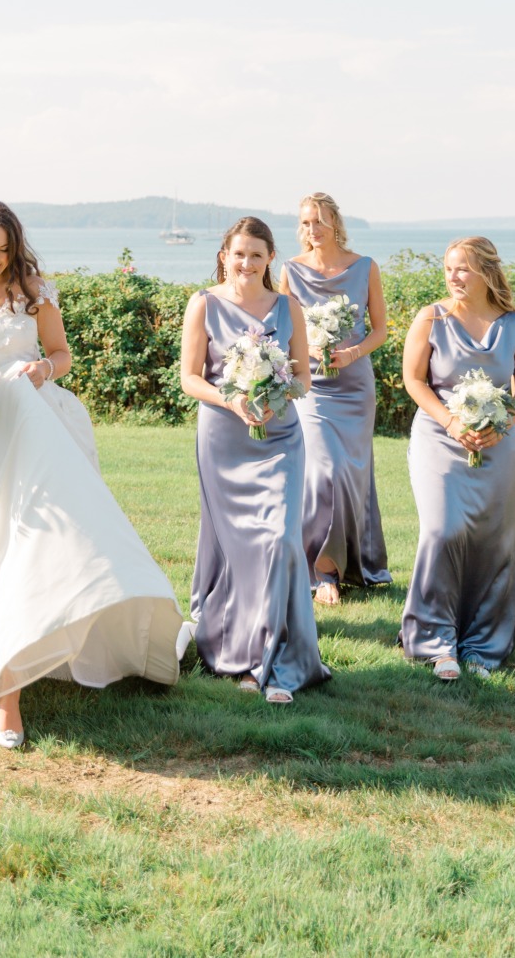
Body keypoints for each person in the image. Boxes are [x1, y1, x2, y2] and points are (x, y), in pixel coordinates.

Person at [0, 201, 182, 750]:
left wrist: (43, 369)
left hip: (28, 426)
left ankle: (8, 689)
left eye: (4, 249)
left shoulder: (33, 291)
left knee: (24, 544)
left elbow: (62, 353)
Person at [181, 216, 328, 703]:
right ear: (225, 254)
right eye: (238, 253)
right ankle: (239, 650)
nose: (246, 263)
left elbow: (305, 377)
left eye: (257, 255)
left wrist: (276, 390)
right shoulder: (202, 304)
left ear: (270, 260)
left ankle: (276, 661)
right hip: (224, 438)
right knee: (238, 547)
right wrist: (233, 400)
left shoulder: (289, 308)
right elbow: (191, 379)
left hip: (280, 436)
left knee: (280, 540)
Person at [400, 237, 515, 679]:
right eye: (449, 268)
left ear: (486, 272)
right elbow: (413, 380)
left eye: (462, 269)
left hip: (497, 446)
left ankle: (483, 644)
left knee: (494, 542)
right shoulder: (431, 317)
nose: (453, 277)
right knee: (443, 530)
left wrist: (502, 423)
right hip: (439, 439)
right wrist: (452, 423)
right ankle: (433, 641)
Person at [279, 192, 391, 604]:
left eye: (320, 221)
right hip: (313, 385)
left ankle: (358, 563)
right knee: (324, 468)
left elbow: (379, 329)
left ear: (335, 223)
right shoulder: (290, 270)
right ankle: (322, 570)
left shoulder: (365, 267)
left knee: (351, 473)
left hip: (355, 383)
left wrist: (352, 353)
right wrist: (307, 353)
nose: (313, 229)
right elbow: (283, 327)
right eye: (306, 222)